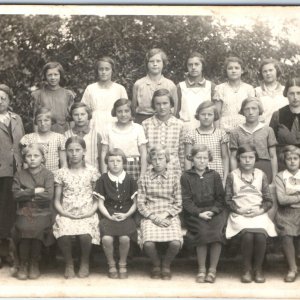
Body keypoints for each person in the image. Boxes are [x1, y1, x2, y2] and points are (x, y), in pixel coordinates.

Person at [225, 144, 277, 283]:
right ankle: (246, 269)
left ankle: (258, 269)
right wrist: (238, 210)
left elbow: (268, 200)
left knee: (260, 235)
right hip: (239, 214)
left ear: (255, 159)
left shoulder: (261, 175)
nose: (247, 160)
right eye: (243, 157)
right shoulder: (232, 176)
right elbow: (228, 200)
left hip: (258, 213)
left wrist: (260, 210)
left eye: (251, 157)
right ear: (238, 159)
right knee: (247, 235)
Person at [53, 136, 100, 278]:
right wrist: (65, 214)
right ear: (66, 152)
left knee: (86, 234)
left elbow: (97, 199)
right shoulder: (61, 173)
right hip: (67, 212)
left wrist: (90, 212)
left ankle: (84, 262)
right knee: (64, 232)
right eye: (70, 150)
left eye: (77, 150)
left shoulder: (92, 172)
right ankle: (69, 264)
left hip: (87, 212)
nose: (74, 153)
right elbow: (56, 200)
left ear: (84, 151)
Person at [181, 145, 226, 283]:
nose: (201, 161)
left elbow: (220, 199)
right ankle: (201, 269)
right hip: (195, 214)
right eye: (198, 158)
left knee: (217, 233)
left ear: (209, 160)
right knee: (202, 232)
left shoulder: (214, 175)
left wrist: (212, 211)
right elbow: (186, 201)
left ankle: (212, 270)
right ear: (192, 159)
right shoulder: (186, 176)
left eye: (205, 158)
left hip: (214, 212)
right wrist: (199, 213)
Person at [137, 145, 182, 280]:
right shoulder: (145, 178)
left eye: (161, 158)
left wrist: (165, 214)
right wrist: (153, 217)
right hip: (150, 215)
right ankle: (156, 264)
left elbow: (178, 203)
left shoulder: (174, 177)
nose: (157, 162)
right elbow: (140, 203)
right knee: (148, 243)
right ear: (150, 160)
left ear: (166, 159)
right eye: (154, 159)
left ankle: (166, 265)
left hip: (169, 214)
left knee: (175, 243)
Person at [12, 144, 54, 280]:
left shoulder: (48, 174)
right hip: (25, 210)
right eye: (29, 156)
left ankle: (34, 263)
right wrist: (35, 191)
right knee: (24, 227)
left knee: (38, 228)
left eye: (36, 156)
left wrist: (25, 192)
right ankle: (24, 264)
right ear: (24, 158)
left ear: (42, 158)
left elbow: (49, 195)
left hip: (43, 211)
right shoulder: (19, 174)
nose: (32, 159)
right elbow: (16, 195)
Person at [96, 148, 137, 279]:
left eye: (118, 161)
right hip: (108, 214)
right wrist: (108, 216)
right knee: (107, 239)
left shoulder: (130, 179)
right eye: (111, 161)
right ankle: (111, 264)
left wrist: (126, 215)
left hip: (126, 214)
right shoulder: (102, 179)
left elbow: (135, 203)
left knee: (124, 238)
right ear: (106, 163)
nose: (115, 164)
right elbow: (100, 204)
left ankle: (123, 264)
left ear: (123, 162)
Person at [230, 97, 278, 184]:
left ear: (259, 110)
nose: (250, 112)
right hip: (243, 168)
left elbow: (273, 156)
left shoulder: (268, 130)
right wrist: (234, 177)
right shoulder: (235, 132)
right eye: (247, 109)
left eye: (254, 108)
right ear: (243, 112)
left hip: (264, 167)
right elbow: (233, 157)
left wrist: (274, 178)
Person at [0, 84, 24, 244]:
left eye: (3, 98)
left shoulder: (17, 118)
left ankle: (11, 251)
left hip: (16, 170)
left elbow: (21, 143)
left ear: (9, 100)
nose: (0, 101)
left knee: (11, 209)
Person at [100, 99, 147, 180]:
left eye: (126, 111)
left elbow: (143, 152)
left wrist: (142, 174)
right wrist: (104, 174)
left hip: (133, 166)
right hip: (113, 165)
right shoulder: (108, 128)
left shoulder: (138, 128)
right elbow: (104, 152)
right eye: (119, 111)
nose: (123, 114)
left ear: (131, 111)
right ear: (115, 112)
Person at [184, 101, 229, 184]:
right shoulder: (191, 135)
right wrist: (189, 179)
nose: (206, 117)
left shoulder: (221, 134)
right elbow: (188, 159)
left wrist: (225, 179)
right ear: (198, 115)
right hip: (197, 176)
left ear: (215, 116)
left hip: (217, 175)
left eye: (210, 114)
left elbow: (225, 157)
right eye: (203, 114)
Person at [81, 56, 128, 135]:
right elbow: (83, 109)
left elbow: (126, 109)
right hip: (95, 123)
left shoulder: (119, 88)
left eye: (107, 69)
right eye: (101, 69)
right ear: (97, 71)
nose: (104, 72)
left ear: (112, 71)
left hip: (114, 122)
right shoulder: (91, 88)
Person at [142, 89, 185, 174]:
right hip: (151, 170)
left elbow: (182, 153)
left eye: (165, 103)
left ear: (171, 104)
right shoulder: (146, 124)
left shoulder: (179, 124)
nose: (162, 107)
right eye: (158, 104)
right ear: (154, 105)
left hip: (174, 170)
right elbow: (144, 153)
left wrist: (183, 173)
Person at [274, 145, 300, 282]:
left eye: (295, 158)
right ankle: (292, 268)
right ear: (284, 160)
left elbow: (287, 197)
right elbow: (282, 199)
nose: (292, 161)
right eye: (289, 159)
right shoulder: (281, 176)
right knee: (287, 234)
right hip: (286, 213)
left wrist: (292, 197)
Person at [132, 48, 178, 124]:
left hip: (164, 121)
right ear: (147, 64)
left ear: (163, 63)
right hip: (142, 121)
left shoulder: (170, 85)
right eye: (151, 61)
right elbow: (133, 107)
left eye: (158, 61)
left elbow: (174, 109)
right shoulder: (139, 84)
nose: (155, 64)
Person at [213, 56, 255, 132]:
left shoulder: (249, 89)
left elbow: (252, 112)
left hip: (245, 130)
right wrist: (217, 133)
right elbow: (216, 114)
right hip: (225, 130)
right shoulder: (220, 88)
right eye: (230, 68)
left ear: (242, 71)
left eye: (236, 68)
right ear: (226, 71)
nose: (233, 71)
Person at [32, 61, 75, 134]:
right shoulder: (38, 95)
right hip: (44, 132)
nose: (53, 77)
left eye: (56, 74)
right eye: (49, 75)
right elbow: (35, 119)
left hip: (64, 132)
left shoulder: (68, 94)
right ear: (45, 76)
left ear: (60, 75)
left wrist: (72, 136)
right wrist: (36, 137)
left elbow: (72, 119)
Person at [20, 107, 67, 172]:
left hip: (54, 176)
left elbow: (64, 163)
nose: (42, 123)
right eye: (39, 120)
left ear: (52, 121)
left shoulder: (59, 138)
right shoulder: (28, 138)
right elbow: (25, 163)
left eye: (46, 120)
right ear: (36, 122)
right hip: (33, 177)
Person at [177, 52, 215, 130]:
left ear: (202, 66)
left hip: (206, 129)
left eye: (197, 64)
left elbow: (216, 112)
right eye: (190, 65)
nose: (193, 67)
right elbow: (176, 112)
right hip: (186, 128)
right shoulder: (180, 86)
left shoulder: (211, 86)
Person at [270, 77, 300, 171]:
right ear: (286, 94)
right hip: (283, 164)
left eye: (298, 93)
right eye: (291, 93)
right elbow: (271, 144)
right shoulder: (277, 115)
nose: (295, 97)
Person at [65, 102, 101, 171]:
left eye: (83, 114)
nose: (79, 117)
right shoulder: (66, 135)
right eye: (76, 115)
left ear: (88, 115)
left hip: (93, 174)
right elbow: (65, 159)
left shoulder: (96, 135)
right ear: (72, 116)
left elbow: (101, 158)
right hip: (72, 174)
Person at [255, 58, 288, 125]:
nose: (268, 73)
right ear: (261, 74)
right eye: (265, 71)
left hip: (283, 130)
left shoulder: (286, 90)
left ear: (277, 71)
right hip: (263, 130)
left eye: (271, 70)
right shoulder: (256, 91)